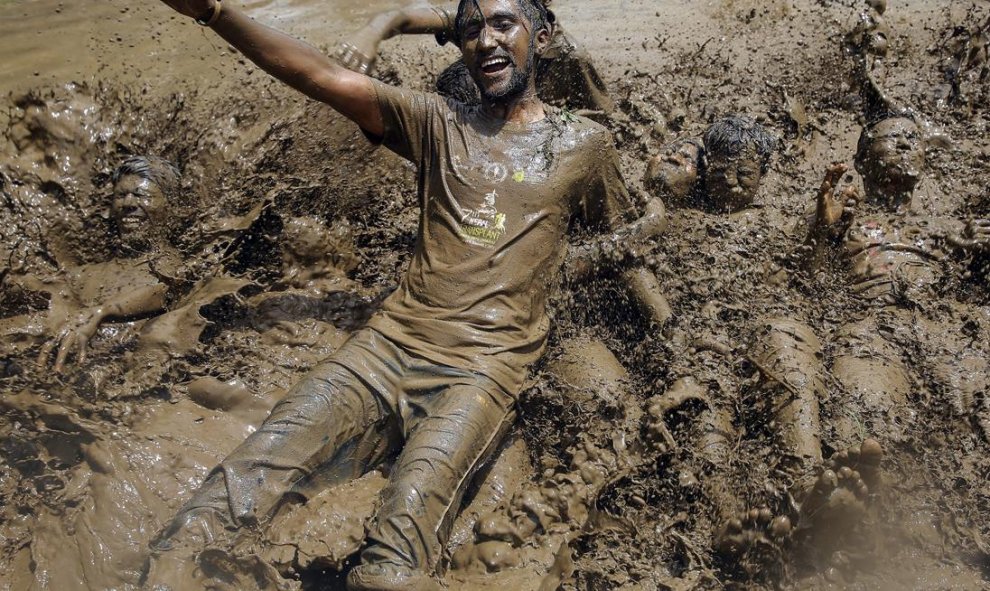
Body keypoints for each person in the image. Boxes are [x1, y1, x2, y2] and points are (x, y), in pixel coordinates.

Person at [148, 1, 662, 589]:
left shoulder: (584, 146)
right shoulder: (437, 121)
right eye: (471, 30)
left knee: (392, 559)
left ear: (541, 39)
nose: (486, 40)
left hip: (481, 371)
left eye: (502, 25)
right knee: (225, 494)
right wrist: (214, 12)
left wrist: (661, 334)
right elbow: (318, 76)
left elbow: (623, 244)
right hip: (381, 351)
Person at [335, 0, 614, 112]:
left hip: (536, 122)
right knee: (457, 80)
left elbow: (602, 119)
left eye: (504, 26)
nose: (487, 38)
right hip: (481, 112)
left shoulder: (570, 58)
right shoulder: (481, 16)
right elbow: (402, 17)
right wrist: (370, 34)